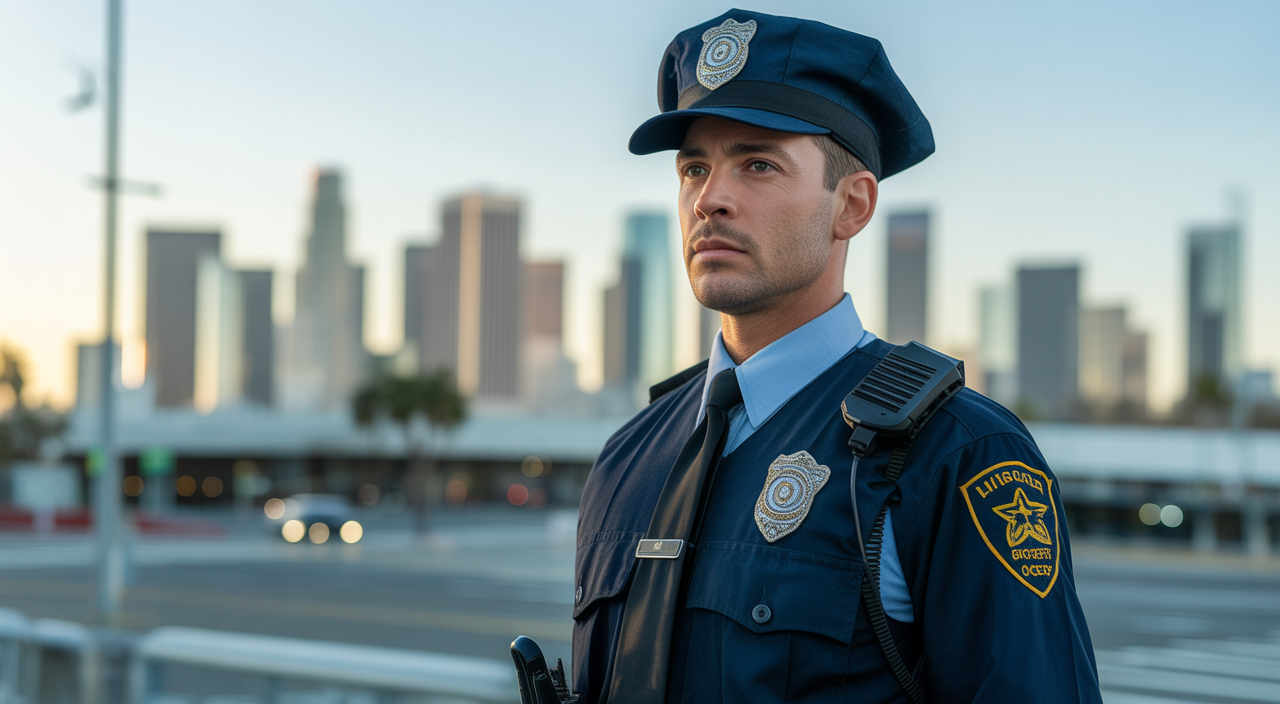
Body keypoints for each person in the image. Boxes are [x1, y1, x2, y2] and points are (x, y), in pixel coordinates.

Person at [572, 9, 1104, 704]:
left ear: (851, 207)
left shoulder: (955, 454)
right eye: (693, 168)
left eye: (757, 164)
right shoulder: (628, 457)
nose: (710, 199)